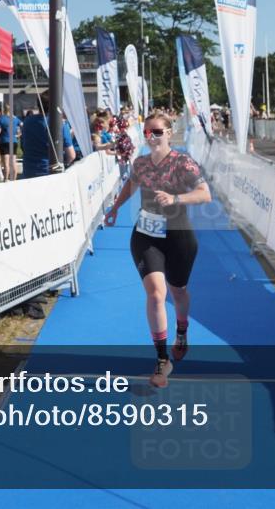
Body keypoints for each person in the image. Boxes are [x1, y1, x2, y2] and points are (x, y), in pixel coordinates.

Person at [104, 113, 212, 388]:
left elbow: (204, 194)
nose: (152, 137)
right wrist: (115, 208)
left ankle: (182, 329)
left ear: (169, 133)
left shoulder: (182, 163)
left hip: (178, 235)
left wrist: (176, 197)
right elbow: (131, 184)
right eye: (148, 132)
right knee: (155, 293)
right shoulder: (140, 163)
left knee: (178, 292)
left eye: (158, 132)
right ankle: (163, 359)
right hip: (145, 235)